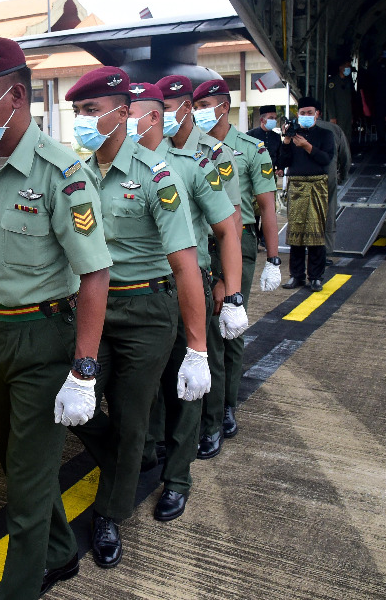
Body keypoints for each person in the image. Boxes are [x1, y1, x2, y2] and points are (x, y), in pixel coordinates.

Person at [0, 37, 111, 598]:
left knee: (25, 483)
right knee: (15, 458)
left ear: (15, 95)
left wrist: (84, 371)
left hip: (43, 339)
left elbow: (94, 273)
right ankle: (62, 552)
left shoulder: (60, 173)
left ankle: (18, 587)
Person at [64, 68, 208, 569]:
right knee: (64, 398)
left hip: (147, 308)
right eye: (78, 112)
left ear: (123, 112)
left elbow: (186, 264)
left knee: (131, 415)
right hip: (92, 308)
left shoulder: (156, 176)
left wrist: (197, 349)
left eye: (90, 111)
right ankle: (130, 458)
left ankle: (110, 512)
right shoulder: (76, 174)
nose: (82, 121)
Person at [131, 82, 243, 522]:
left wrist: (227, 288)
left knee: (189, 377)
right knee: (149, 382)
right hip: (140, 290)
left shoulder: (194, 163)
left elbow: (225, 229)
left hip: (187, 283)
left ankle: (178, 478)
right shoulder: (111, 165)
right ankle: (153, 446)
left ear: (155, 116)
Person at [193, 79, 281, 452]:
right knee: (200, 330)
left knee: (229, 325)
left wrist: (273, 259)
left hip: (238, 241)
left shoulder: (250, 149)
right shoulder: (188, 146)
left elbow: (266, 206)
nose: (199, 111)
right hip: (198, 240)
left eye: (206, 104)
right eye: (195, 105)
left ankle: (226, 406)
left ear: (224, 107)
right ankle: (203, 405)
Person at [276, 104, 336, 291]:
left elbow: (326, 160)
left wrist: (307, 146)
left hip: (317, 185)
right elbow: (282, 162)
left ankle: (316, 277)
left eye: (309, 113)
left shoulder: (325, 135)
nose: (306, 116)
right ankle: (296, 275)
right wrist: (286, 141)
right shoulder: (292, 135)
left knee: (316, 232)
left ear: (317, 114)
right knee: (296, 234)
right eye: (302, 113)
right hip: (297, 186)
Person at [308, 100, 352, 255]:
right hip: (329, 175)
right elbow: (345, 157)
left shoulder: (300, 129)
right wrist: (343, 176)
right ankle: (325, 251)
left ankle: (307, 248)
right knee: (328, 212)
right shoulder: (335, 129)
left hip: (305, 177)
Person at [329, 60, 356, 140]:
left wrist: (351, 115)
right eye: (347, 67)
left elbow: (350, 100)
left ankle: (346, 151)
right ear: (341, 68)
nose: (349, 69)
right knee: (338, 134)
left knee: (347, 134)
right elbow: (330, 100)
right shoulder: (333, 82)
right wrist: (332, 116)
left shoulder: (348, 81)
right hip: (338, 114)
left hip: (347, 113)